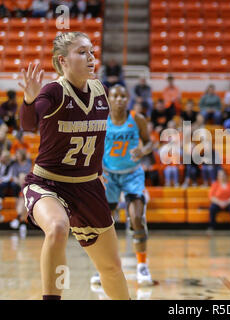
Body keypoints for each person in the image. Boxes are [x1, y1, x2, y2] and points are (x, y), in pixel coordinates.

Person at [18, 32, 130, 300]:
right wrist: (29, 101)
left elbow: (98, 138)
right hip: (48, 184)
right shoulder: (54, 91)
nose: (90, 57)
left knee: (111, 268)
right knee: (57, 227)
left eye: (91, 51)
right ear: (63, 60)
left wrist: (98, 172)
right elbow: (29, 124)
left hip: (87, 187)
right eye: (82, 52)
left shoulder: (101, 91)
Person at [90, 84, 154, 286]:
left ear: (128, 99)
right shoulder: (102, 120)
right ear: (109, 99)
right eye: (115, 96)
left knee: (136, 218)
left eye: (123, 96)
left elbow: (150, 142)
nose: (119, 99)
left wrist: (144, 151)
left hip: (132, 174)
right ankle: (103, 267)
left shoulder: (137, 119)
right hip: (109, 176)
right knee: (104, 224)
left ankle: (142, 266)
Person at [208, 169, 230, 235]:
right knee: (212, 208)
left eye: (223, 175)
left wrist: (227, 202)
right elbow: (211, 197)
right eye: (220, 175)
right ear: (217, 176)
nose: (221, 176)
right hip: (218, 203)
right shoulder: (215, 184)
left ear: (226, 175)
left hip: (228, 203)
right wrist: (219, 202)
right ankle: (211, 227)